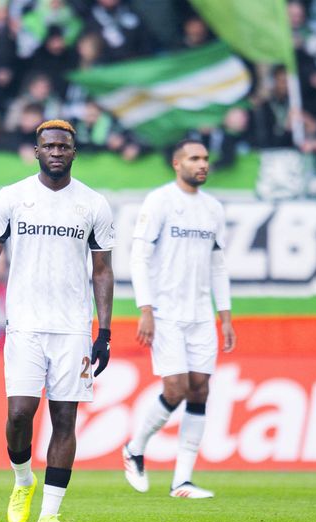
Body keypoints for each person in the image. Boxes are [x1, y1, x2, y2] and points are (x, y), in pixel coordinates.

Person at [0, 120, 114, 522]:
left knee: (65, 418)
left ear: (74, 152)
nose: (56, 152)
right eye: (49, 145)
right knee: (20, 414)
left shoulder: (92, 204)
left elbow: (103, 271)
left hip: (72, 328)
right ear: (36, 151)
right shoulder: (13, 198)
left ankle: (50, 515)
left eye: (63, 146)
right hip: (25, 325)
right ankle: (22, 480)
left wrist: (103, 331)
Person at [121, 139, 235, 499]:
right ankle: (135, 448)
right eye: (194, 158)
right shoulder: (160, 202)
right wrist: (146, 309)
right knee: (176, 388)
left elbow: (218, 264)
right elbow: (138, 258)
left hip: (201, 315)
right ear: (177, 164)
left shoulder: (213, 208)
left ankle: (181, 480)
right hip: (166, 313)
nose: (202, 164)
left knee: (201, 388)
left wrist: (225, 316)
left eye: (205, 159)